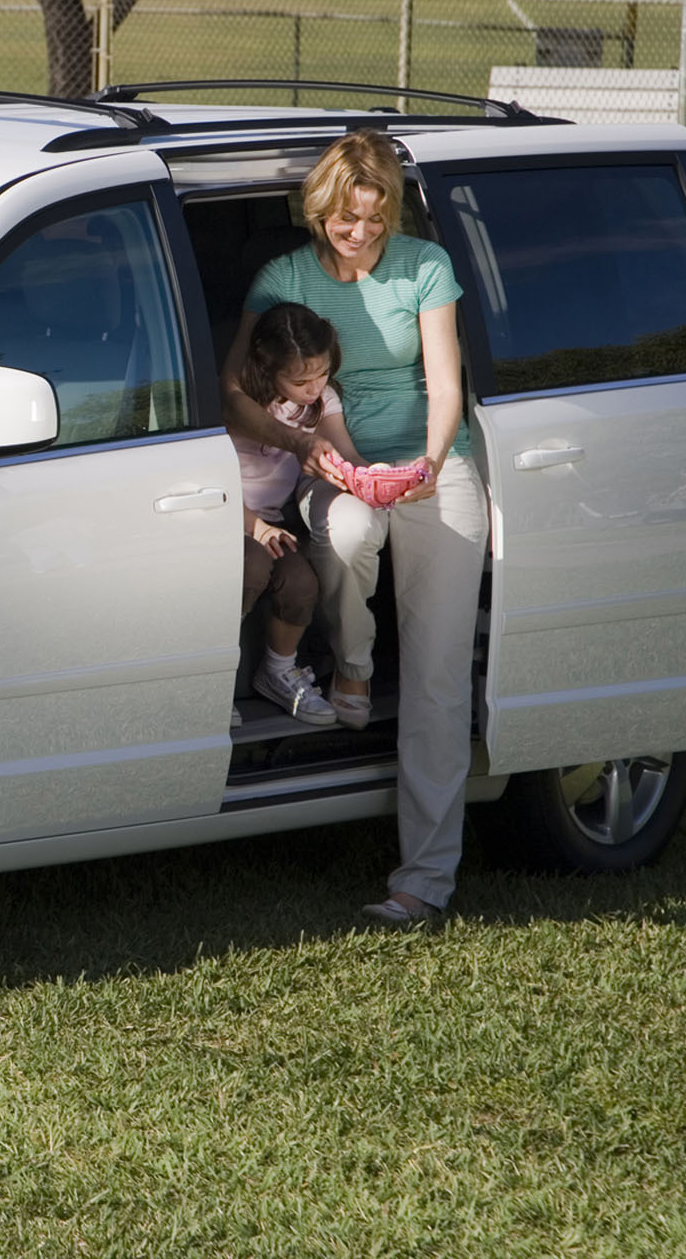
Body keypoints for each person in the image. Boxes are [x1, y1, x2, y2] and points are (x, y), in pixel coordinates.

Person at [224, 131, 486, 925]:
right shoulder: (283, 279)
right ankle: (354, 665)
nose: (363, 234)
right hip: (331, 465)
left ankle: (424, 881)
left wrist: (431, 463)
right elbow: (234, 393)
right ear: (319, 211)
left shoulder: (424, 268)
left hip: (432, 468)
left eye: (376, 219)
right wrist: (307, 447)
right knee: (347, 536)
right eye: (347, 219)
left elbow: (446, 386)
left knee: (440, 679)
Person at [230, 302, 342, 726]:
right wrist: (254, 528)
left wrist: (372, 476)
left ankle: (278, 671)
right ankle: (218, 676)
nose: (314, 388)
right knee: (252, 564)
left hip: (269, 524)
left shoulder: (319, 402)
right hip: (222, 516)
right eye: (300, 380)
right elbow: (212, 484)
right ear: (267, 371)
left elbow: (341, 449)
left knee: (300, 581)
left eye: (322, 374)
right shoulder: (241, 406)